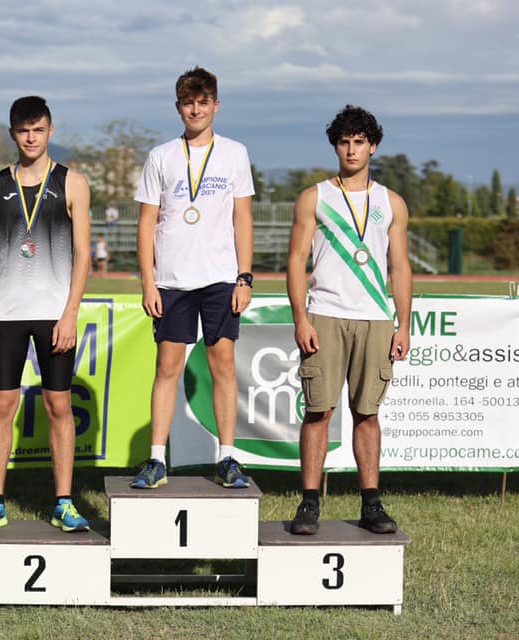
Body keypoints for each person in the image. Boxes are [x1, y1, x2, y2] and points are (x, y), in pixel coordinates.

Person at [285, 105, 413, 535]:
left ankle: (371, 504)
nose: (352, 150)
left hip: (375, 317)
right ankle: (309, 503)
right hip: (325, 314)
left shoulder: (391, 202)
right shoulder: (315, 197)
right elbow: (296, 260)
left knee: (367, 414)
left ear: (373, 146)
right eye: (344, 142)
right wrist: (301, 319)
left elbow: (400, 266)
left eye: (360, 142)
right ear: (335, 146)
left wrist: (404, 324)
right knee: (318, 411)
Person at [130, 66, 255, 490]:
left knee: (223, 366)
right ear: (178, 107)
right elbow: (146, 223)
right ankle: (156, 459)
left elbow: (242, 218)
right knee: (167, 367)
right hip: (172, 279)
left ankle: (227, 458)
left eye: (203, 102)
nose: (196, 110)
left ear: (216, 105)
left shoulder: (234, 153)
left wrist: (244, 277)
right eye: (188, 103)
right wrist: (148, 281)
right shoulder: (161, 156)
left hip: (221, 277)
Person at [0, 96, 92, 533]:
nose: (31, 137)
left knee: (59, 404)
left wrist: (70, 314)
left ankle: (64, 502)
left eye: (38, 129)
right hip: (6, 313)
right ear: (12, 133)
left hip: (54, 314)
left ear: (50, 131)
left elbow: (83, 255)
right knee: (3, 404)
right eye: (23, 130)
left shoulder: (73, 182)